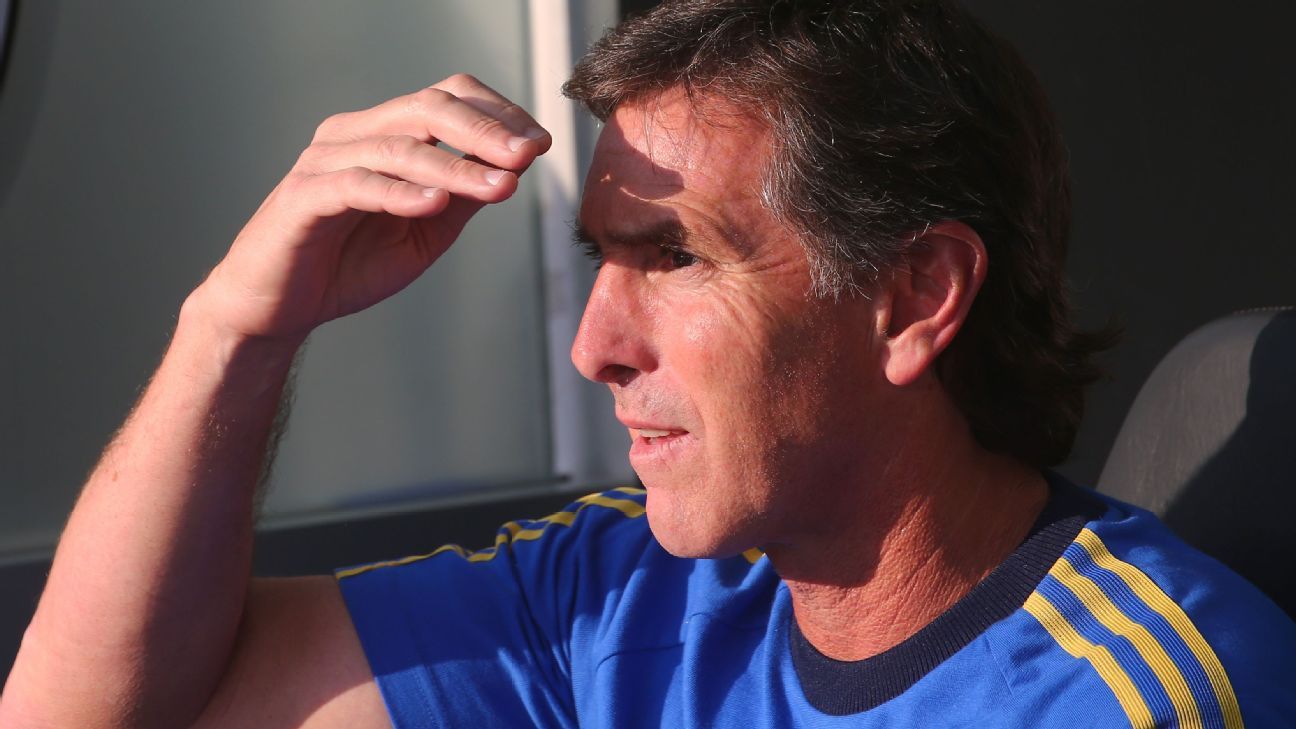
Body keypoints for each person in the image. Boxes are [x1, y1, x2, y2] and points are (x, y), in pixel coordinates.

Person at [3, 1, 1294, 727]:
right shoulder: (623, 597)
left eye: (675, 258)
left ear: (911, 299)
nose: (594, 346)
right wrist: (235, 330)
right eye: (603, 262)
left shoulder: (1137, 698)